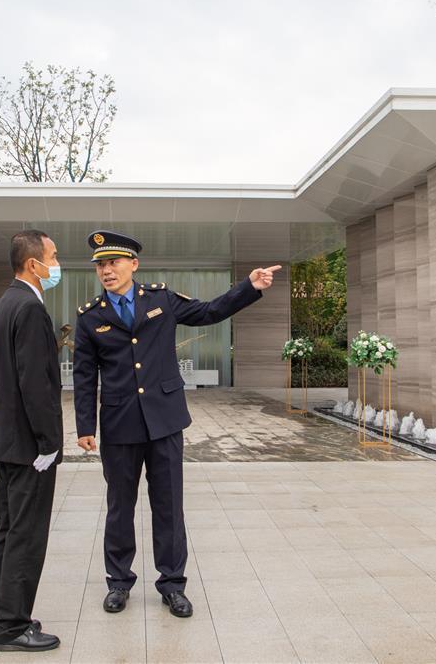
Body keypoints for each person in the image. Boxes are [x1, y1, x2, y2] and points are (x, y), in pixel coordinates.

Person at [72, 229, 280, 618]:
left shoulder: (161, 299)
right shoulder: (90, 316)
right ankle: (119, 582)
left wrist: (248, 287)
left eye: (114, 262)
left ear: (134, 264)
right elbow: (85, 375)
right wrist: (86, 426)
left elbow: (209, 312)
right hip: (119, 424)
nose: (107, 271)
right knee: (120, 507)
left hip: (165, 421)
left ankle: (172, 584)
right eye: (100, 265)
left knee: (169, 505)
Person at [0, 230, 64, 653]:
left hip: (8, 440)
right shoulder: (30, 308)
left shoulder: (8, 301)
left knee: (9, 529)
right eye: (53, 256)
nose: (57, 264)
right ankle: (14, 626)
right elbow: (36, 383)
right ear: (34, 264)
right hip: (30, 446)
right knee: (26, 535)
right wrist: (48, 442)